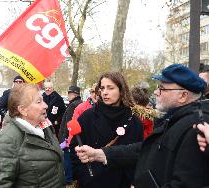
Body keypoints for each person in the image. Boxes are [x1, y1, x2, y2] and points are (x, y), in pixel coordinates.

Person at [75, 64, 209, 188]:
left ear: (183, 96)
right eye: (102, 88)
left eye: (162, 88)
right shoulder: (174, 121)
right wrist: (99, 154)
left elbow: (187, 182)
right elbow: (144, 149)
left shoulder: (197, 128)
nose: (156, 92)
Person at [70, 72, 144, 188]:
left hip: (121, 183)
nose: (105, 92)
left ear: (121, 90)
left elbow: (138, 154)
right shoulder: (87, 117)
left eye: (110, 88)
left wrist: (132, 179)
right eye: (102, 88)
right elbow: (74, 148)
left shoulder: (134, 121)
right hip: (92, 182)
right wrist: (83, 175)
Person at [0, 83, 64, 187]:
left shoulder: (46, 128)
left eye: (43, 100)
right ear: (23, 110)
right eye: (39, 102)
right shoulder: (6, 140)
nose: (45, 105)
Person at [58, 85, 82, 186]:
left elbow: (69, 123)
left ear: (71, 94)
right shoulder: (80, 103)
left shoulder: (73, 105)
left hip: (68, 136)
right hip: (76, 136)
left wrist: (65, 138)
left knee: (67, 158)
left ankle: (68, 178)